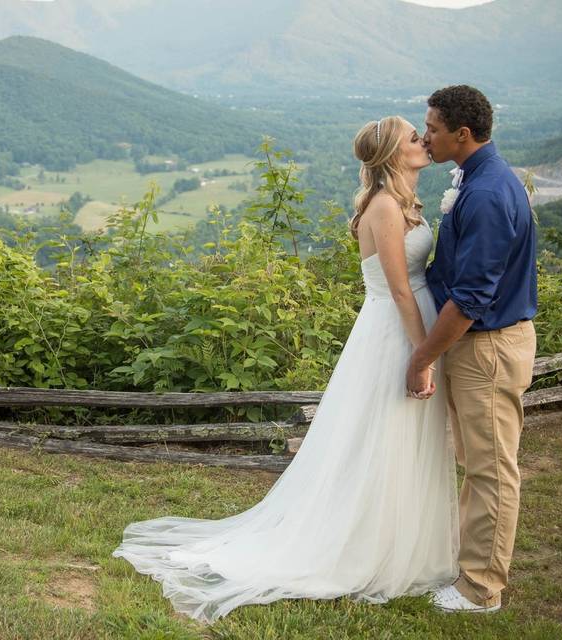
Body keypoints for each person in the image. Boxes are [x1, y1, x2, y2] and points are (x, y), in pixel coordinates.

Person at [111, 116, 459, 624]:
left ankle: (404, 542)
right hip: (394, 333)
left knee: (406, 439)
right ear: (390, 153)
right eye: (412, 137)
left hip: (414, 324)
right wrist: (419, 356)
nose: (423, 141)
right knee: (381, 438)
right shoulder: (384, 207)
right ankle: (363, 547)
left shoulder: (404, 202)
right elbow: (401, 289)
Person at [406, 85, 538, 614]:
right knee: (475, 460)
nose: (424, 136)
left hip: (487, 347)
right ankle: (468, 564)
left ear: (463, 134)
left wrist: (422, 357)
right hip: (475, 344)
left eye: (433, 128)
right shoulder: (477, 177)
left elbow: (472, 298)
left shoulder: (485, 194)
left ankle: (481, 589)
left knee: (490, 467)